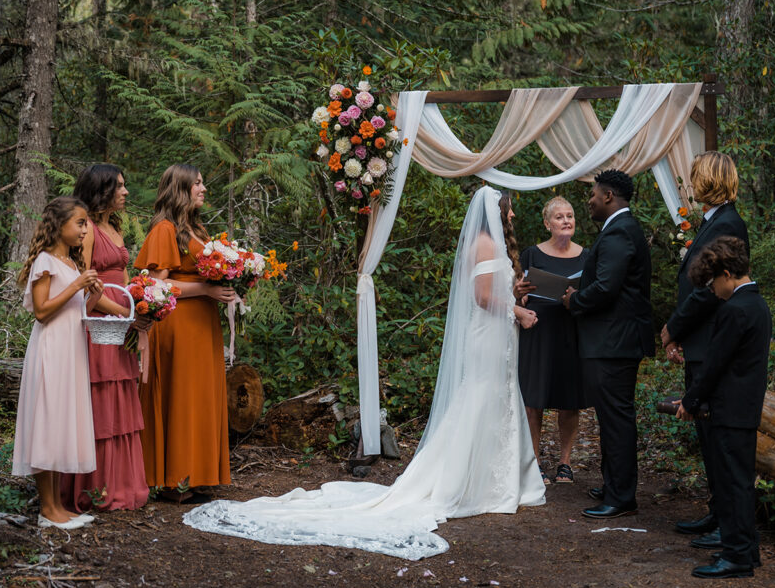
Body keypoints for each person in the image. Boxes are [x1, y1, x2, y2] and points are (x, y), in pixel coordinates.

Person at [183, 186, 544, 559]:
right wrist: (517, 310)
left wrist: (514, 292)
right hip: (488, 335)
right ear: (494, 211)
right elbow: (483, 297)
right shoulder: (485, 243)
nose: (513, 216)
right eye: (509, 209)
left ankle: (489, 477)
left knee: (493, 397)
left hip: (496, 334)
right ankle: (470, 480)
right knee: (481, 398)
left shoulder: (493, 244)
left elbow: (492, 290)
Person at [660, 151, 749, 544]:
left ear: (710, 180)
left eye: (695, 176)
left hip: (712, 340)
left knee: (717, 439)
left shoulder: (729, 224)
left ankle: (726, 524)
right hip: (699, 340)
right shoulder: (713, 222)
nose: (691, 183)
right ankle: (717, 514)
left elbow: (709, 292)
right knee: (706, 437)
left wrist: (672, 328)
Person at [135, 164, 236, 502]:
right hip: (179, 326)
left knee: (201, 398)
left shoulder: (198, 230)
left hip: (203, 327)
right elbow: (157, 284)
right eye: (197, 183)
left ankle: (196, 475)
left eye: (203, 183)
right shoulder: (164, 230)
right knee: (182, 399)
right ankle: (174, 479)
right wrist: (206, 291)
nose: (203, 189)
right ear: (180, 189)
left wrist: (233, 280)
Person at [677, 236, 770, 579]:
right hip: (745, 406)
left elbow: (713, 364)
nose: (712, 290)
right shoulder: (758, 305)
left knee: (732, 483)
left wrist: (690, 400)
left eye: (714, 282)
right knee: (741, 481)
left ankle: (736, 556)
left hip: (729, 408)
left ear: (728, 273)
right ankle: (747, 548)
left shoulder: (735, 309)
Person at [562, 170, 653, 520]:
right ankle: (614, 483)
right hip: (612, 340)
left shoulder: (618, 233)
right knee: (611, 416)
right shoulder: (620, 230)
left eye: (594, 195)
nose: (590, 200)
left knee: (616, 419)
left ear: (610, 196)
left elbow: (605, 288)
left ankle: (621, 496)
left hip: (614, 342)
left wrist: (575, 300)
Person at [60, 164, 150, 512]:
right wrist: (122, 311)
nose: (126, 192)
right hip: (98, 325)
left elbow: (125, 278)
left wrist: (141, 305)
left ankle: (123, 485)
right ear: (103, 190)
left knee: (121, 405)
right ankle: (94, 489)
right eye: (120, 187)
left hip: (119, 323)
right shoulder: (87, 230)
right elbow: (85, 286)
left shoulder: (113, 227)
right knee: (100, 408)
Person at [12, 196, 103, 529]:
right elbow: (41, 311)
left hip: (72, 350)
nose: (85, 229)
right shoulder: (45, 261)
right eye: (80, 223)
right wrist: (77, 285)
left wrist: (91, 291)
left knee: (59, 421)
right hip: (51, 350)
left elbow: (78, 310)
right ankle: (47, 509)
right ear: (59, 225)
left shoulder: (72, 264)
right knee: (46, 423)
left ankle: (57, 507)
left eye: (86, 223)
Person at [513, 196, 588, 485]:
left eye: (570, 215)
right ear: (547, 223)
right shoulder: (532, 255)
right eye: (559, 217)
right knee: (535, 399)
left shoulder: (586, 256)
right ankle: (534, 461)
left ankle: (565, 462)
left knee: (569, 400)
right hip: (538, 329)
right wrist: (518, 290)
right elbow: (517, 294)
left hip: (571, 330)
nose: (566, 220)